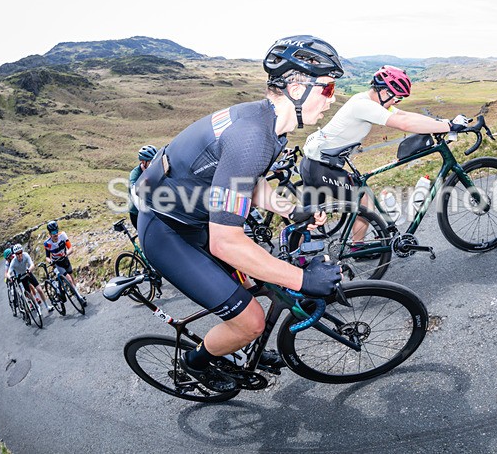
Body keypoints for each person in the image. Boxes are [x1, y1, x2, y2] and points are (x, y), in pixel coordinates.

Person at [134, 35, 344, 392]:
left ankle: (238, 347)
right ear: (295, 86)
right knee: (252, 321)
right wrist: (304, 280)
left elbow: (241, 180)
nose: (333, 98)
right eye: (327, 89)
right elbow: (226, 243)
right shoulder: (252, 137)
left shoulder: (266, 123)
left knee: (258, 281)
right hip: (166, 233)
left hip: (194, 219)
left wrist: (293, 209)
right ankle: (195, 363)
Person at [301, 65, 468, 236]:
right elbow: (403, 124)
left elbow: (404, 115)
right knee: (365, 204)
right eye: (396, 98)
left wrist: (442, 122)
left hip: (312, 163)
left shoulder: (367, 100)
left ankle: (295, 254)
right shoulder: (364, 105)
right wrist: (447, 126)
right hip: (321, 167)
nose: (397, 102)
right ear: (385, 92)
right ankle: (356, 248)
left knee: (307, 218)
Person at [44, 220, 86, 306]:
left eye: (56, 231)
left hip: (65, 259)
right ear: (50, 233)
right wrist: (51, 261)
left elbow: (71, 248)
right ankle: (80, 299)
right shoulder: (47, 243)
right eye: (53, 232)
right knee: (69, 279)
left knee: (72, 278)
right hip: (57, 263)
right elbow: (47, 257)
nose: (55, 234)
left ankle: (77, 294)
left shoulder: (63, 235)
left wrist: (66, 253)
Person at [7, 243, 52, 314]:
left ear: (22, 251)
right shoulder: (13, 261)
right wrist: (10, 278)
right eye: (17, 254)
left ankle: (47, 306)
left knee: (39, 289)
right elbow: (9, 273)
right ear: (15, 254)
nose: (19, 255)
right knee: (29, 294)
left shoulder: (25, 255)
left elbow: (32, 264)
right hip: (21, 277)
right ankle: (37, 307)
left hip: (28, 272)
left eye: (20, 252)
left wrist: (29, 270)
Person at [128, 145, 158, 229]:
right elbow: (135, 196)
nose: (154, 164)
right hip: (137, 213)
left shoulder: (155, 170)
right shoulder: (135, 175)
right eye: (151, 162)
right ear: (143, 162)